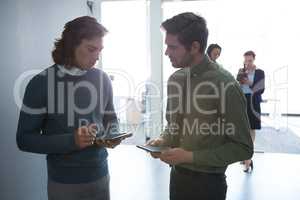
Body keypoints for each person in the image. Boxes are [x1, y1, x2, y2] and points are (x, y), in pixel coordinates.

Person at [147, 12, 253, 200]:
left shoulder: (225, 85)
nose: (166, 53)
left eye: (172, 47)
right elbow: (173, 126)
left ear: (195, 46)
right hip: (176, 179)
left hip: (208, 186)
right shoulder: (175, 80)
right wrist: (163, 141)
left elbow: (243, 147)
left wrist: (188, 157)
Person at [16, 16, 122, 200]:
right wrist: (72, 140)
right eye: (91, 49)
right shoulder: (40, 83)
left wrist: (112, 136)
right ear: (71, 45)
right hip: (64, 183)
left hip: (101, 176)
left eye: (100, 50)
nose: (97, 56)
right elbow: (24, 140)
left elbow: (111, 120)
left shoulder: (102, 79)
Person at [237, 50, 265, 172]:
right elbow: (237, 87)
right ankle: (246, 156)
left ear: (254, 59)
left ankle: (248, 159)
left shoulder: (260, 72)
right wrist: (239, 82)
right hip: (242, 101)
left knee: (251, 129)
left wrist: (249, 82)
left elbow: (261, 89)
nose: (247, 63)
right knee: (243, 128)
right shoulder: (241, 71)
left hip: (253, 102)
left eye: (250, 60)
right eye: (246, 60)